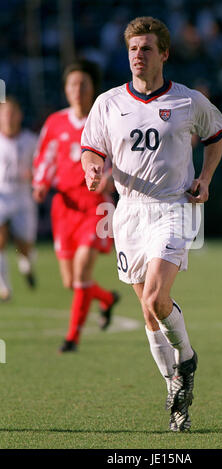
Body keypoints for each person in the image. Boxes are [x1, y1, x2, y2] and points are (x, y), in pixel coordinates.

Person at [81, 17, 222, 432]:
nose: (138, 56)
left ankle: (187, 359)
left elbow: (216, 134)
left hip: (173, 207)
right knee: (148, 315)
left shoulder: (187, 100)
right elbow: (91, 149)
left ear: (164, 53)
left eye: (146, 48)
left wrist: (206, 178)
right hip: (128, 212)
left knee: (157, 299)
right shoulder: (109, 103)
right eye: (132, 49)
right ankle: (175, 389)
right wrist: (93, 171)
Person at [33, 60, 119, 353]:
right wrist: (41, 183)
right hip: (64, 205)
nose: (78, 90)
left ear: (93, 88)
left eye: (83, 84)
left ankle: (72, 339)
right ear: (66, 89)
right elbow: (45, 157)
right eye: (72, 84)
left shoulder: (107, 119)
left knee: (82, 272)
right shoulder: (55, 122)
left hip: (95, 204)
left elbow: (120, 157)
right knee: (71, 281)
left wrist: (110, 178)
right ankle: (106, 299)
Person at [0, 96, 38, 301]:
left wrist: (34, 175)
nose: (9, 118)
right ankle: (4, 288)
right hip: (2, 196)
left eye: (13, 113)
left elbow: (40, 166)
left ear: (20, 116)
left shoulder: (30, 140)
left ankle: (27, 265)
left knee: (25, 246)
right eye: (5, 113)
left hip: (23, 198)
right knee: (1, 240)